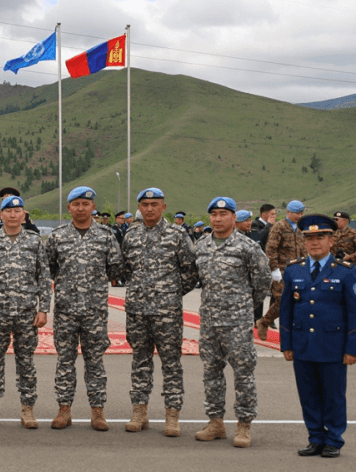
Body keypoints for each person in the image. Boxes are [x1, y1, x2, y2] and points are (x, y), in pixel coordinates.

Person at [120, 188, 198, 437]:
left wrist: (171, 294)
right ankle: (139, 412)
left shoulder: (177, 235)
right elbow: (126, 269)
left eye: (155, 204)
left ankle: (172, 414)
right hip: (137, 312)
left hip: (167, 313)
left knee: (171, 363)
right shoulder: (130, 235)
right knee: (140, 362)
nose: (150, 208)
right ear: (139, 208)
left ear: (164, 207)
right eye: (145, 204)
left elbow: (190, 272)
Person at [193, 197, 270, 448]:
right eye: (213, 214)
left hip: (237, 321)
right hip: (209, 320)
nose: (217, 218)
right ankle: (215, 422)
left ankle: (244, 424)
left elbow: (262, 282)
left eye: (223, 213)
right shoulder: (202, 245)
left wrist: (245, 305)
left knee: (243, 373)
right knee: (211, 372)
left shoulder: (247, 246)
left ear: (233, 218)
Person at [45, 186, 123, 431]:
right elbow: (48, 268)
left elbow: (115, 269)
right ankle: (64, 410)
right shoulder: (57, 236)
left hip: (95, 311)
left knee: (95, 361)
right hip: (65, 311)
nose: (81, 208)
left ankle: (97, 412)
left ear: (92, 207)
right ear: (69, 208)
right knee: (64, 361)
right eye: (76, 204)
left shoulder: (106, 235)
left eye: (85, 204)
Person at [0, 195, 51, 429]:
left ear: (24, 214)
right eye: (9, 211)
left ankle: (27, 409)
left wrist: (43, 309)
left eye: (18, 211)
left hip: (27, 313)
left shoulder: (35, 242)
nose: (14, 214)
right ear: (1, 215)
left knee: (26, 362)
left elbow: (44, 278)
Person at [280, 214, 356, 458]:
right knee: (309, 395)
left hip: (333, 346)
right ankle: (315, 438)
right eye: (309, 238)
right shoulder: (293, 271)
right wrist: (286, 343)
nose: (314, 243)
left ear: (331, 241)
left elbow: (354, 313)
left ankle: (333, 439)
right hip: (303, 345)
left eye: (320, 237)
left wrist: (352, 348)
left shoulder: (345, 273)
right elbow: (286, 309)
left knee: (333, 396)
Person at [257, 200, 307, 340]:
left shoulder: (301, 228)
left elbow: (305, 249)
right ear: (288, 213)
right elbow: (270, 249)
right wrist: (274, 269)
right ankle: (264, 322)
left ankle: (290, 332)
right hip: (282, 271)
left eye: (301, 213)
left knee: (298, 301)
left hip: (299, 270)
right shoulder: (279, 227)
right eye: (297, 213)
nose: (300, 216)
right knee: (282, 301)